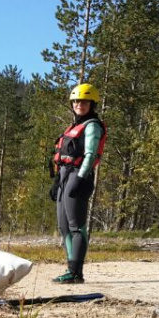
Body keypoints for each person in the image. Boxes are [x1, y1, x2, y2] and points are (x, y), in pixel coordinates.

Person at [49, 83, 106, 284]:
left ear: (92, 103)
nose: (79, 104)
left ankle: (76, 272)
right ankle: (70, 268)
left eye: (84, 101)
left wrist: (81, 178)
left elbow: (90, 155)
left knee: (76, 226)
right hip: (65, 175)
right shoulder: (74, 126)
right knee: (63, 226)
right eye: (76, 101)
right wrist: (57, 182)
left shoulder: (92, 125)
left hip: (77, 175)